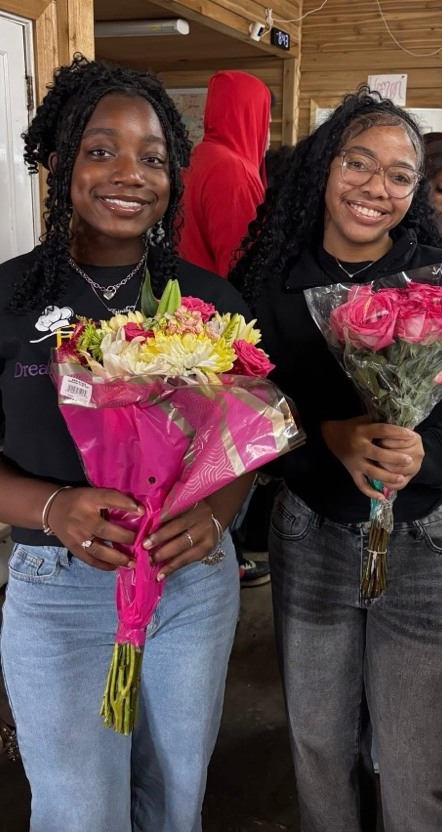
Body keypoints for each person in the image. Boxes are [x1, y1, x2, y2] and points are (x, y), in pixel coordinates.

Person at [0, 56, 254, 832]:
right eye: (100, 149)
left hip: (191, 582)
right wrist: (55, 507)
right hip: (58, 589)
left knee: (176, 797)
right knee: (81, 810)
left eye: (151, 157)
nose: (128, 174)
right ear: (58, 160)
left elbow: (247, 448)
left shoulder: (210, 304)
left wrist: (215, 520)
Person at [230, 91, 442, 832]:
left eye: (400, 175)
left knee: (418, 759)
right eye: (358, 162)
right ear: (324, 167)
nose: (376, 187)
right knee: (318, 744)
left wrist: (429, 453)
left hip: (428, 545)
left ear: (415, 191)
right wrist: (326, 439)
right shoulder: (273, 286)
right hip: (310, 539)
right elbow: (245, 417)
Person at [178, 69, 272, 587]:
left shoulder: (193, 160)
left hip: (182, 326)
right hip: (221, 332)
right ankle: (221, 554)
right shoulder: (233, 169)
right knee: (228, 453)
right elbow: (246, 263)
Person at [178, 69, 271, 277]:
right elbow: (241, 267)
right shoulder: (233, 171)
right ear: (251, 114)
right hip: (220, 304)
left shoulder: (199, 156)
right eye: (265, 119)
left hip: (191, 297)